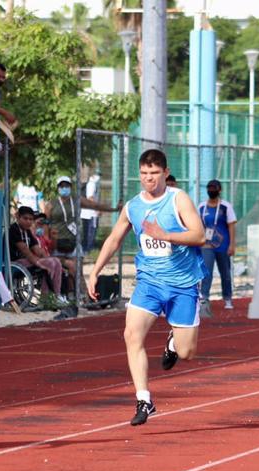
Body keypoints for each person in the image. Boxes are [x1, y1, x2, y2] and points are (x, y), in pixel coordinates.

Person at [86, 149, 206, 426]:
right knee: (131, 334)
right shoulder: (133, 207)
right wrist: (94, 271)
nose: (149, 178)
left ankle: (174, 342)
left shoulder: (178, 199)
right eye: (144, 174)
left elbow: (199, 235)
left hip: (183, 283)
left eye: (154, 173)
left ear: (165, 173)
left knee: (187, 353)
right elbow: (114, 239)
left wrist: (166, 235)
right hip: (149, 282)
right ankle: (144, 400)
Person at [45, 175, 119, 299]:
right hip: (57, 243)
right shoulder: (51, 204)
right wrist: (47, 239)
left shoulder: (76, 200)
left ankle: (83, 295)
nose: (64, 188)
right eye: (62, 186)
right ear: (58, 188)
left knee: (77, 271)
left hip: (73, 242)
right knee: (64, 269)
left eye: (66, 185)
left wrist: (114, 209)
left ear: (71, 187)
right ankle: (64, 294)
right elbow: (45, 222)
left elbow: (95, 205)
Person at [198, 179, 238, 315]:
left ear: (219, 190)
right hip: (207, 245)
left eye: (214, 188)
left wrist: (232, 244)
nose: (211, 190)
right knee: (206, 272)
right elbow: (198, 225)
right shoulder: (202, 206)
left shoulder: (226, 206)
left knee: (225, 273)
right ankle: (204, 297)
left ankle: (227, 298)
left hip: (223, 245)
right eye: (209, 188)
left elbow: (231, 226)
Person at [10, 206, 66, 302]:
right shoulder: (13, 229)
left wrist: (48, 259)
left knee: (55, 261)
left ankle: (56, 295)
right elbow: (25, 250)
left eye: (30, 219)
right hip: (15, 263)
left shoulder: (27, 231)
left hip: (26, 261)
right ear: (18, 217)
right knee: (49, 264)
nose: (28, 221)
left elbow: (37, 249)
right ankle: (45, 298)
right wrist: (39, 263)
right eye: (25, 218)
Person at [80, 173, 102, 252]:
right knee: (91, 231)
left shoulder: (91, 184)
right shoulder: (92, 184)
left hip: (86, 213)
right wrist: (97, 209)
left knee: (87, 231)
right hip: (91, 213)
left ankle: (87, 248)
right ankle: (88, 248)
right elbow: (90, 198)